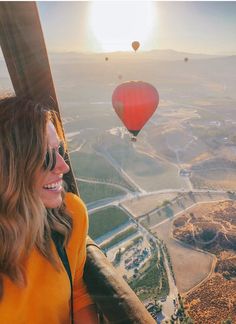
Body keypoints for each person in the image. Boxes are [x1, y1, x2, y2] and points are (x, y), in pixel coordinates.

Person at [0, 96, 99, 323]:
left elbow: (78, 295)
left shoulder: (70, 214)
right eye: (46, 157)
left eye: (60, 150)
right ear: (9, 169)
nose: (63, 166)